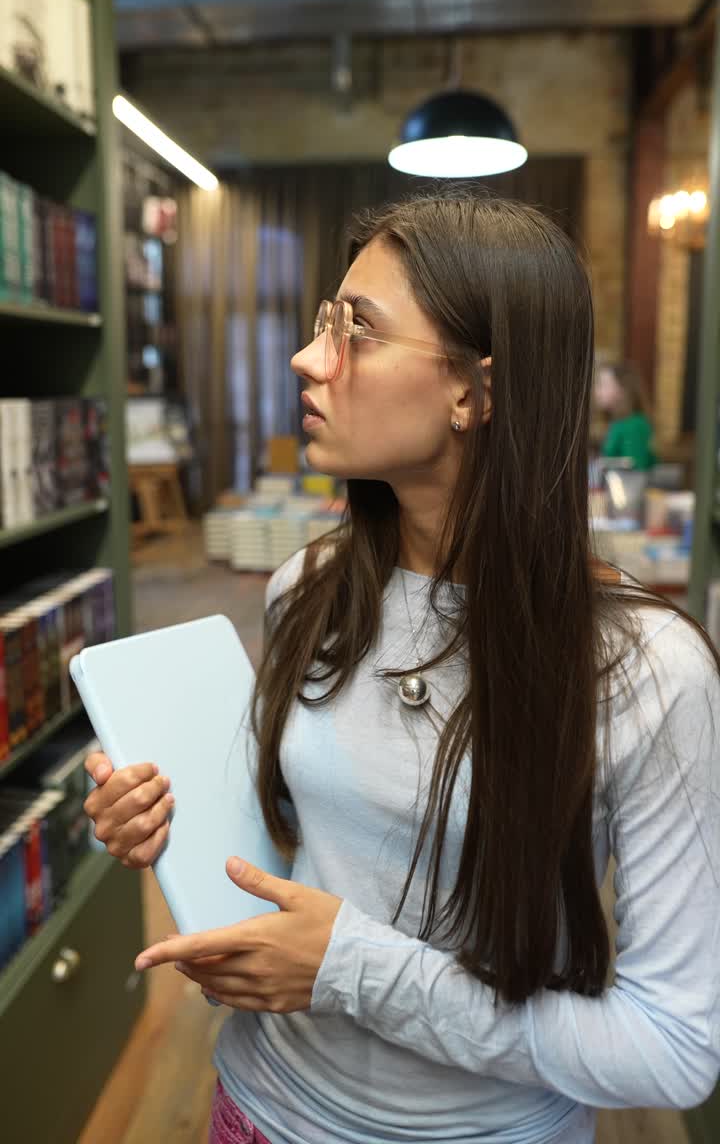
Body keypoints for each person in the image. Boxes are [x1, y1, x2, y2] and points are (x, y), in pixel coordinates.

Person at [84, 190, 720, 1144]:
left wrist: (350, 968)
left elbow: (672, 1046)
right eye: (321, 323)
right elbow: (309, 836)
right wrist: (164, 820)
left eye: (358, 330)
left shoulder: (648, 671)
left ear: (476, 389)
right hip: (257, 1109)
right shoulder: (305, 588)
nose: (308, 358)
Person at [594, 361, 658, 469]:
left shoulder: (635, 425)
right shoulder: (618, 422)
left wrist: (600, 464)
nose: (597, 391)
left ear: (622, 389)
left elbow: (636, 466)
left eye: (603, 384)